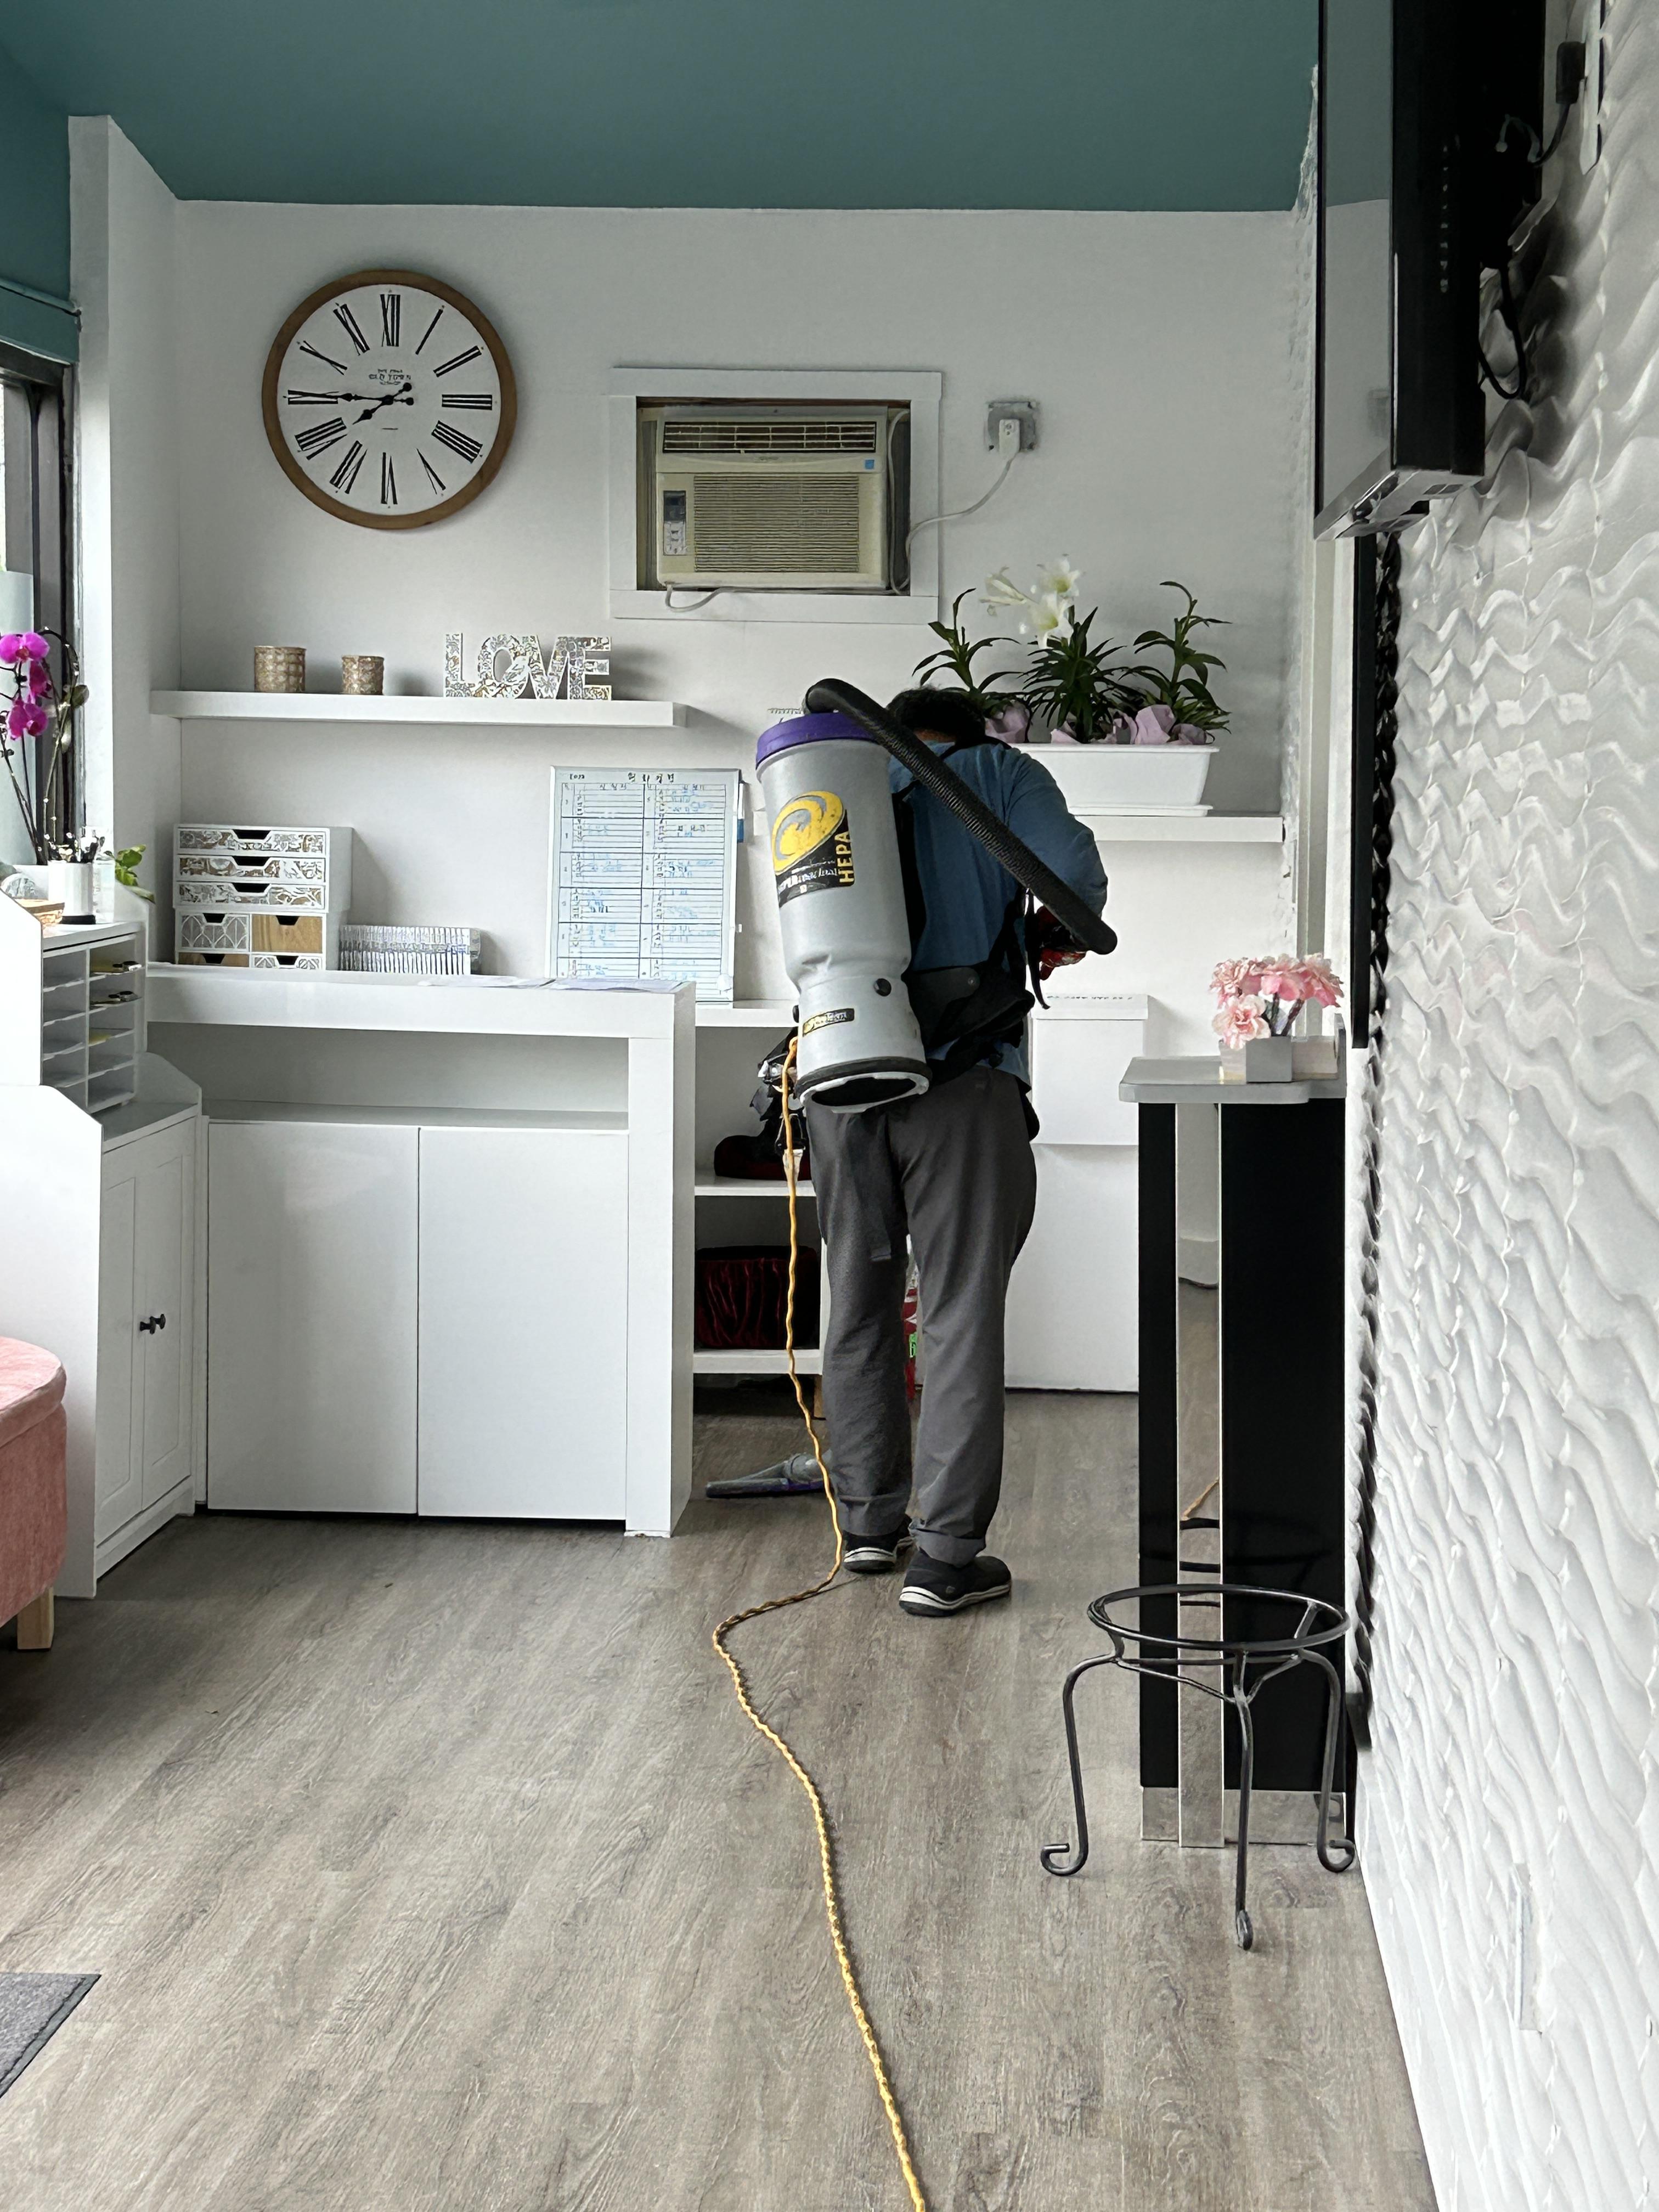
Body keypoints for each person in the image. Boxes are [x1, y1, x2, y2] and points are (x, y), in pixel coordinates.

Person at [803, 687, 1109, 1617]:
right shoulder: (996, 773)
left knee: (858, 1303)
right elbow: (1076, 882)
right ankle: (943, 1561)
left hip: (840, 1078)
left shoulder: (832, 778)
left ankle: (867, 1527)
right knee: (959, 1314)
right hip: (961, 1080)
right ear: (972, 736)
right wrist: (1047, 932)